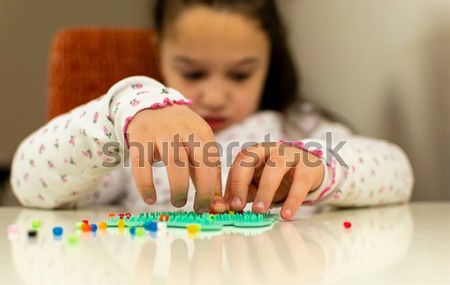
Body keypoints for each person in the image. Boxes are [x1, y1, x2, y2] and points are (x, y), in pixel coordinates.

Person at [10, 0, 414, 220]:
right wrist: (125, 110)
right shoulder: (134, 140)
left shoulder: (294, 123)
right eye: (193, 72)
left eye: (240, 75)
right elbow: (28, 184)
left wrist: (319, 166)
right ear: (160, 53)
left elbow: (398, 172)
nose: (216, 96)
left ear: (269, 61)